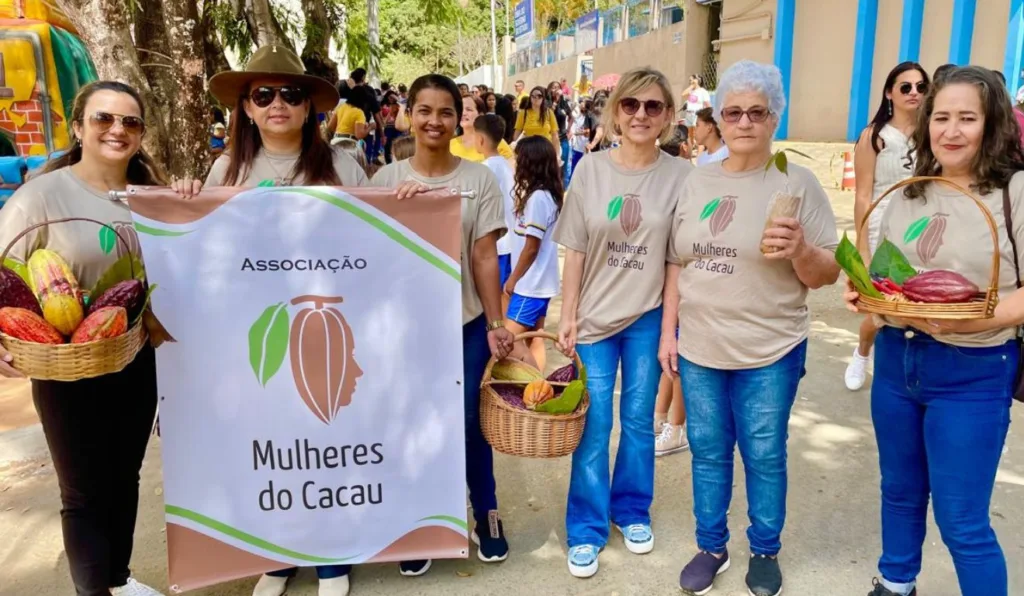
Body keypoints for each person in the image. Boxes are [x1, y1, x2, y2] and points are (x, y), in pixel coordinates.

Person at [172, 44, 368, 596]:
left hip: (326, 326)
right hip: (255, 331)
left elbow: (382, 240)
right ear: (247, 109)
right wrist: (188, 199)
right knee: (269, 447)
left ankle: (332, 559)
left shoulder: (344, 166)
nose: (277, 102)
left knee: (328, 441)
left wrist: (406, 200)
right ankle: (278, 557)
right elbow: (205, 248)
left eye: (291, 93)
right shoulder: (224, 169)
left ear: (310, 108)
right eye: (263, 94)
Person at [844, 66, 1024, 596]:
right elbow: (887, 277)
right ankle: (897, 582)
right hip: (899, 363)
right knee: (899, 490)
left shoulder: (1014, 192)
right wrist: (866, 294)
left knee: (962, 519)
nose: (951, 130)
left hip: (974, 370)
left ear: (991, 124)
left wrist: (969, 318)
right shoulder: (909, 193)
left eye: (967, 118)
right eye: (940, 117)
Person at [664, 60, 840, 596]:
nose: (744, 122)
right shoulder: (698, 182)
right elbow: (678, 262)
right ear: (719, 117)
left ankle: (765, 549)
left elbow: (827, 272)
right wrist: (669, 333)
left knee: (764, 453)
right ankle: (711, 547)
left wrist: (802, 250)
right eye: (733, 112)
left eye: (756, 112)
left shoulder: (798, 183)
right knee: (708, 450)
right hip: (700, 346)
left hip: (770, 348)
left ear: (773, 117)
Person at [0, 80, 169, 596]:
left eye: (130, 122)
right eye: (103, 119)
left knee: (126, 477)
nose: (117, 130)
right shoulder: (41, 196)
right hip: (66, 368)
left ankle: (117, 580)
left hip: (134, 357)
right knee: (84, 493)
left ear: (141, 134)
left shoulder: (150, 199)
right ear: (78, 127)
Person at [371, 73, 515, 577]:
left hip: (466, 325)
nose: (435, 120)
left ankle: (486, 514)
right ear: (409, 113)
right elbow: (372, 262)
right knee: (414, 426)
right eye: (425, 110)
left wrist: (498, 320)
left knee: (473, 424)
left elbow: (483, 256)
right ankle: (422, 524)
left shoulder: (478, 180)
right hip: (407, 334)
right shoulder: (385, 182)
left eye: (446, 111)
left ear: (461, 119)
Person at [553, 66, 693, 579]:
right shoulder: (590, 169)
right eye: (631, 105)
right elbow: (576, 250)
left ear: (668, 117)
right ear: (615, 112)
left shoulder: (682, 175)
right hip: (593, 316)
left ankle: (631, 509)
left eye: (652, 106)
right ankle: (585, 527)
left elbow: (677, 259)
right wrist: (567, 315)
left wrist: (669, 327)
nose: (640, 115)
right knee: (593, 424)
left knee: (638, 421)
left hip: (647, 315)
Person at [844, 61, 929, 392]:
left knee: (917, 303)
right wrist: (863, 250)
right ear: (889, 92)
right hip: (885, 229)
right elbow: (863, 196)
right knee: (883, 307)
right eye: (905, 86)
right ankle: (862, 352)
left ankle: (908, 371)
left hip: (923, 228)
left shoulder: (933, 134)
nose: (914, 93)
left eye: (921, 87)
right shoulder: (874, 137)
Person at [503, 135, 563, 370]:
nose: (515, 163)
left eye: (518, 159)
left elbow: (531, 247)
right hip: (540, 284)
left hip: (530, 285)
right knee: (534, 337)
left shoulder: (538, 199)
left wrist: (513, 279)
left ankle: (535, 388)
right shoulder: (547, 195)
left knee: (507, 340)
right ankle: (537, 390)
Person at [451, 96, 514, 162]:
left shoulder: (496, 142)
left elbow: (511, 168)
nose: (463, 113)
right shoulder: (449, 145)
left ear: (480, 114)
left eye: (469, 109)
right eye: (460, 109)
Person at [514, 86, 561, 162]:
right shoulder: (523, 113)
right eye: (533, 96)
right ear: (530, 97)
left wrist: (557, 154)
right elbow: (517, 132)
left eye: (539, 96)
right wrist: (516, 149)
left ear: (543, 98)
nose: (536, 98)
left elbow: (555, 135)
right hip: (528, 150)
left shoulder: (549, 112)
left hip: (545, 150)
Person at [549, 81, 573, 185]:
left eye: (558, 87)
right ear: (549, 89)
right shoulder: (547, 103)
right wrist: (555, 100)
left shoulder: (563, 103)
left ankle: (562, 190)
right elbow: (548, 115)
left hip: (563, 138)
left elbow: (571, 117)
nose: (556, 89)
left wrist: (569, 129)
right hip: (550, 139)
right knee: (550, 166)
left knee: (563, 166)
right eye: (553, 87)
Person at [682, 75, 712, 158]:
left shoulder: (703, 91)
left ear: (697, 80)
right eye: (690, 80)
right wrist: (691, 86)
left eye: (692, 80)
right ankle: (690, 153)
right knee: (690, 135)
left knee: (698, 135)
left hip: (697, 114)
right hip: (689, 114)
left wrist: (709, 116)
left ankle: (699, 157)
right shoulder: (690, 91)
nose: (690, 82)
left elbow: (708, 105)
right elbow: (683, 94)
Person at [569, 98, 593, 176]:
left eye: (583, 102)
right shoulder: (580, 116)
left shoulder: (590, 117)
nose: (581, 103)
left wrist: (575, 133)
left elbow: (588, 132)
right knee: (574, 171)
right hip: (576, 148)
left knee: (582, 172)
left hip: (584, 150)